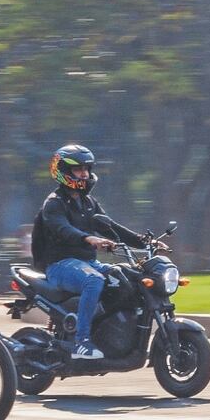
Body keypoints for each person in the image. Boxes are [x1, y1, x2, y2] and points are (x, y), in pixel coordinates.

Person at [33, 144, 148, 360]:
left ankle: (112, 334)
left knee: (127, 277)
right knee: (93, 280)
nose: (84, 174)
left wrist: (144, 242)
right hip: (60, 265)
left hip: (87, 263)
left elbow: (111, 227)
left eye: (86, 168)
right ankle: (81, 342)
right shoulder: (54, 203)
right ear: (63, 171)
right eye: (78, 169)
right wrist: (88, 238)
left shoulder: (87, 202)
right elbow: (63, 229)